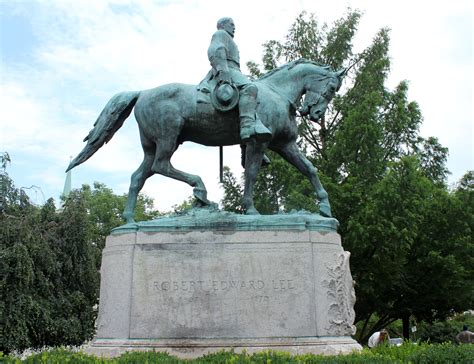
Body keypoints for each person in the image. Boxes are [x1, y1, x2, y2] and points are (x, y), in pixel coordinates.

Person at [205, 17, 272, 143]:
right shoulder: (221, 34)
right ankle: (247, 126)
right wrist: (222, 70)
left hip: (234, 70)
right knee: (250, 88)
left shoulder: (228, 38)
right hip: (228, 69)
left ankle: (247, 145)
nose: (234, 27)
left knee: (250, 98)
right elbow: (215, 50)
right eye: (231, 24)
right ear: (223, 25)